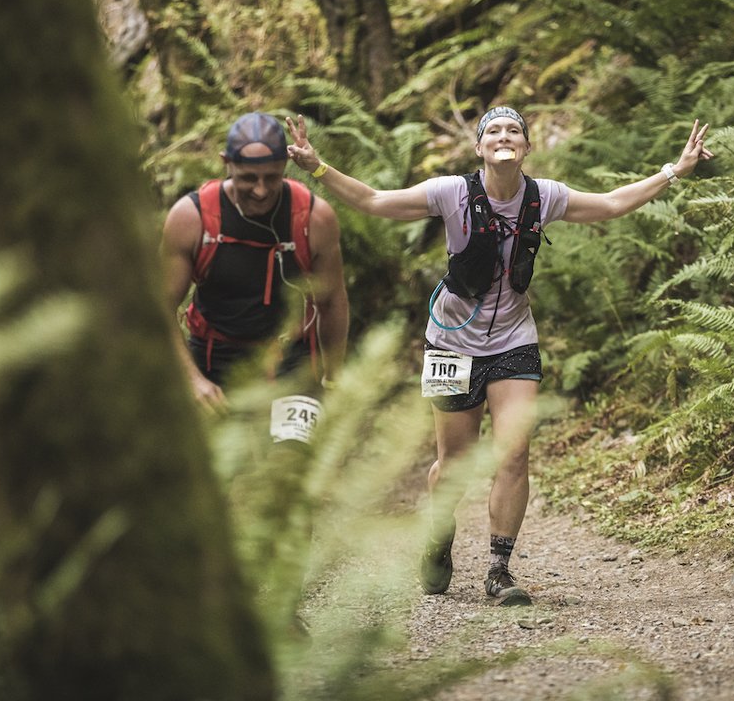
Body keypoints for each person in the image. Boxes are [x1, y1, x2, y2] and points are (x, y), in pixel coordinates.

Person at [285, 106, 712, 605]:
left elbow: (614, 203)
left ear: (526, 148)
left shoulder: (544, 196)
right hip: (448, 342)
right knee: (454, 463)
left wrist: (672, 171)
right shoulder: (450, 193)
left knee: (514, 451)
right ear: (480, 147)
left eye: (514, 130)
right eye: (494, 130)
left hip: (514, 339)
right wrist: (317, 166)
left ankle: (499, 569)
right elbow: (377, 200)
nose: (504, 136)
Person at [162, 110, 349, 425]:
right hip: (213, 362)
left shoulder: (314, 219)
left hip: (291, 362)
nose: (260, 190)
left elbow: (332, 303)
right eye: (248, 177)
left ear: (285, 167)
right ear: (226, 163)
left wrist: (333, 380)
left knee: (290, 466)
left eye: (271, 177)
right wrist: (192, 380)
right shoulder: (191, 218)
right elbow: (160, 307)